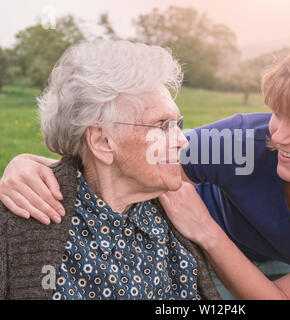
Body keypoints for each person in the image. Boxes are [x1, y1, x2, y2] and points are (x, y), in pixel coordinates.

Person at [2, 29, 290, 300]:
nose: (277, 135)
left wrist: (206, 231)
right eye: (277, 114)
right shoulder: (241, 144)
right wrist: (29, 164)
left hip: (260, 260)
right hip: (198, 251)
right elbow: (113, 156)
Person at [0, 39, 220, 300]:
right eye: (162, 125)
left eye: (177, 123)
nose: (182, 140)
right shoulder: (22, 224)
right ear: (102, 142)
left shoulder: (177, 208)